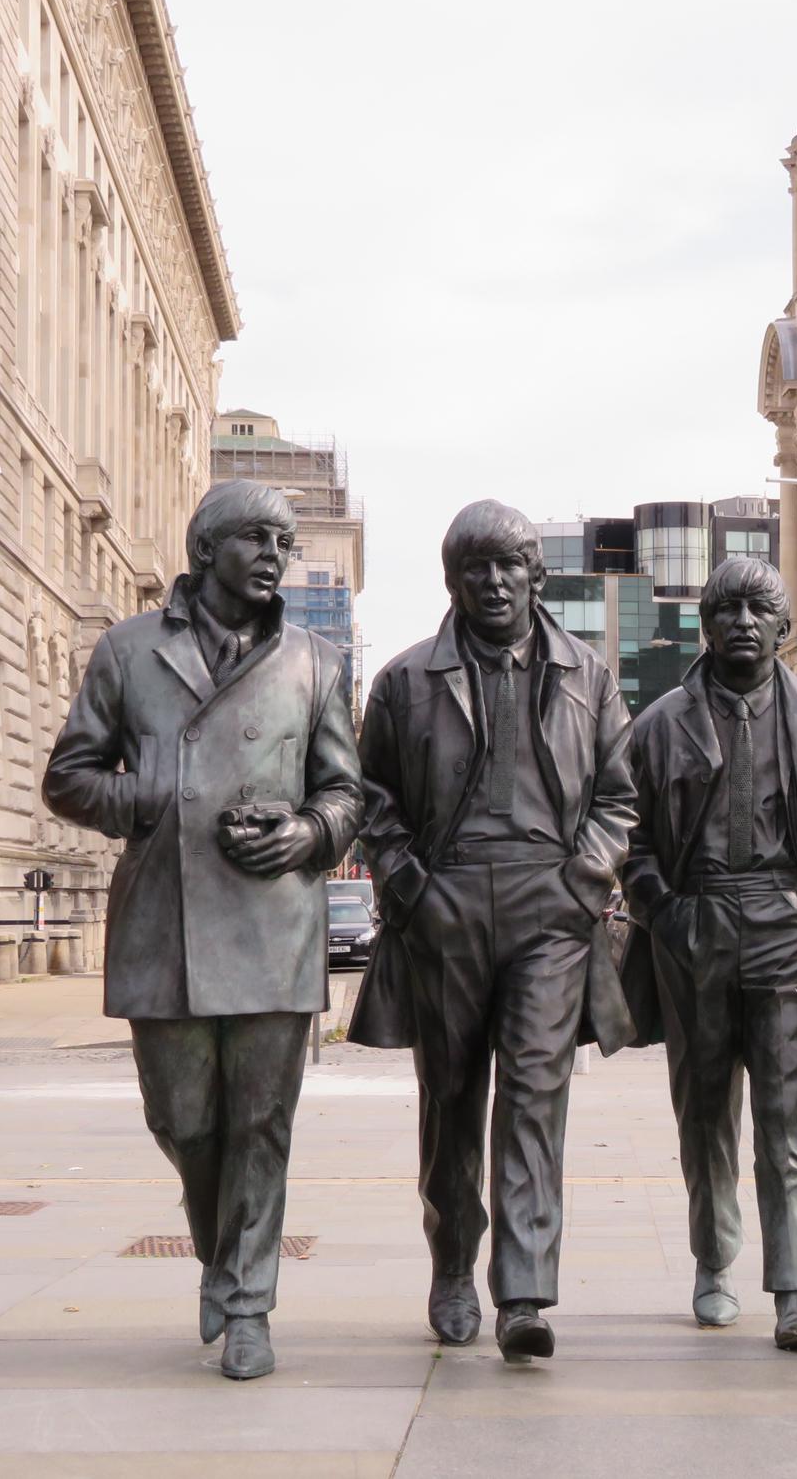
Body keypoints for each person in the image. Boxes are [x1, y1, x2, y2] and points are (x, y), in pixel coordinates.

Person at [43, 480, 364, 1381]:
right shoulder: (128, 651)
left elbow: (346, 794)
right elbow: (69, 777)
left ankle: (250, 1301)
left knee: (262, 1122)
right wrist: (147, 797)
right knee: (183, 1119)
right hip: (165, 921)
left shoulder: (315, 660)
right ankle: (219, 1255)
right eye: (258, 539)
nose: (276, 556)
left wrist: (307, 832)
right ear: (207, 548)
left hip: (273, 922)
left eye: (286, 542)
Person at [350, 499, 637, 1363]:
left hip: (550, 908)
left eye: (509, 564)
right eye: (475, 567)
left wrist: (580, 880)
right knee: (451, 1101)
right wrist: (411, 888)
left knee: (535, 1100)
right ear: (453, 581)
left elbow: (620, 799)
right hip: (445, 906)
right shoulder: (403, 682)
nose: (494, 580)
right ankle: (451, 1266)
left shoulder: (587, 674)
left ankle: (523, 1292)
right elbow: (374, 802)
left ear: (535, 575)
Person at [620, 557, 797, 1351]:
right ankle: (714, 1260)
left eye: (760, 609)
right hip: (699, 923)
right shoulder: (660, 725)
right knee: (704, 1113)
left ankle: (795, 1288)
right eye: (725, 609)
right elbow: (633, 836)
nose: (743, 622)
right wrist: (665, 910)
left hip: (789, 927)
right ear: (704, 625)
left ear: (784, 628)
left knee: (786, 1116)